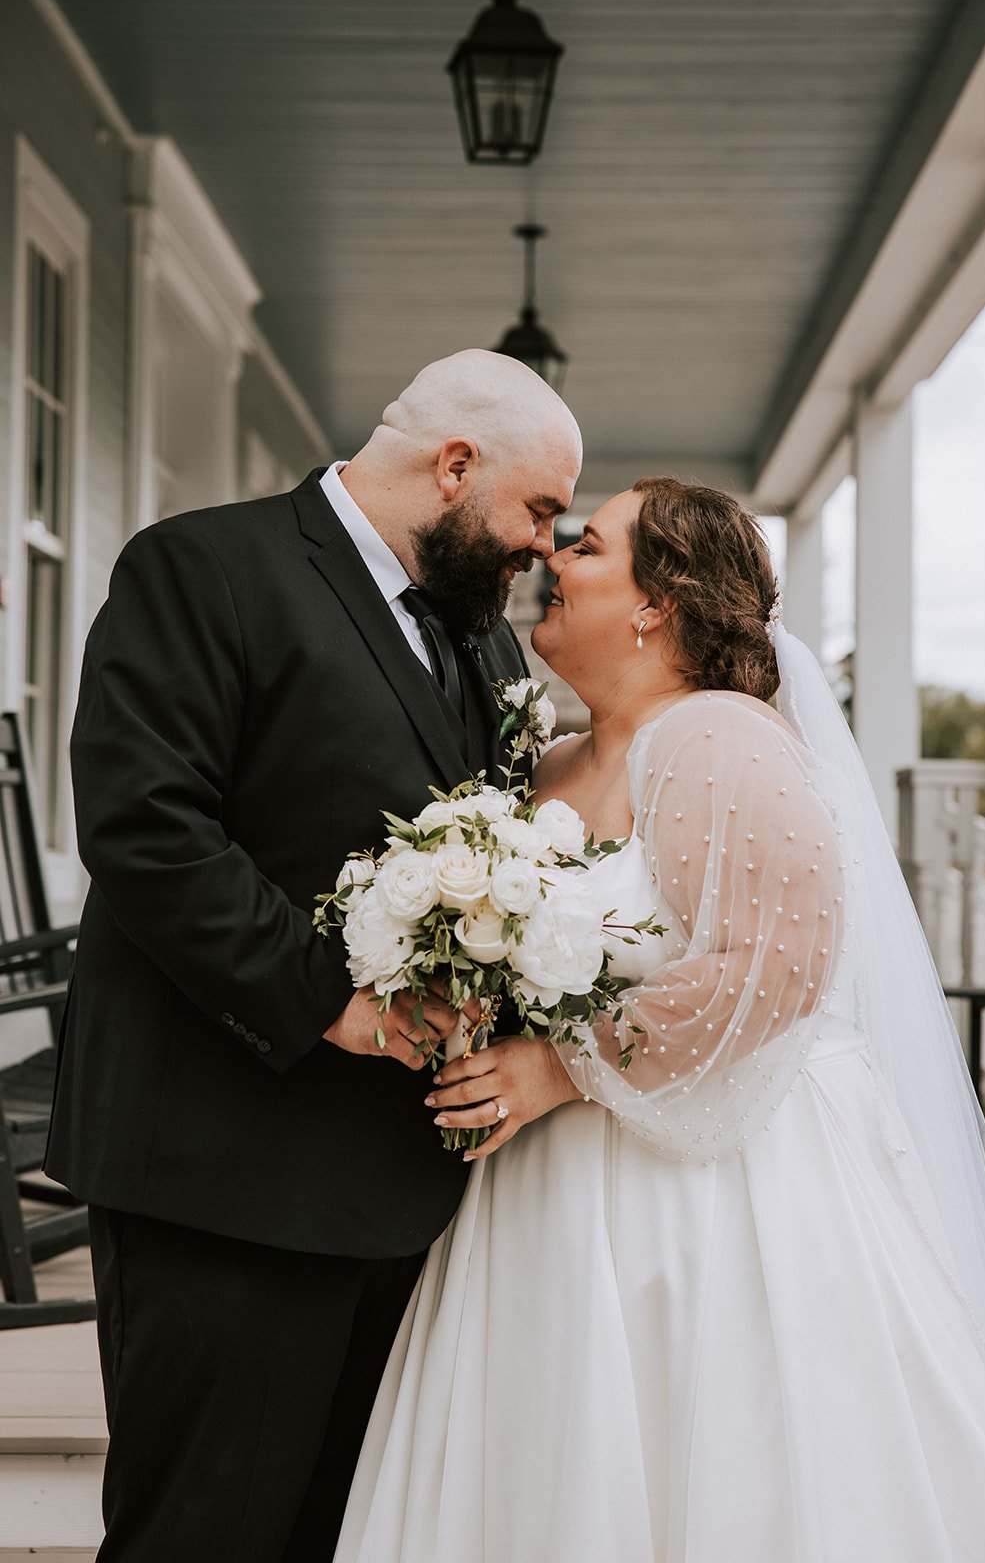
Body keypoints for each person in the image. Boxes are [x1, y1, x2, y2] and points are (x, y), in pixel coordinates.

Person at [335, 478, 985, 1562]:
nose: (553, 562)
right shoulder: (547, 767)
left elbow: (779, 966)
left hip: (711, 1199)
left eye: (586, 546)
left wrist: (561, 1068)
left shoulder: (720, 739)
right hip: (543, 1201)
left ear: (654, 604)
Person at [45, 350, 582, 1563]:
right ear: (452, 465)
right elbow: (146, 825)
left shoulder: (484, 645)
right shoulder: (203, 567)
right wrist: (324, 998)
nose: (544, 547)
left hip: (403, 1191)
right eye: (537, 509)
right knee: (204, 1532)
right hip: (221, 1170)